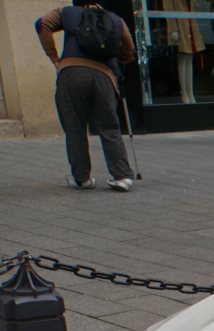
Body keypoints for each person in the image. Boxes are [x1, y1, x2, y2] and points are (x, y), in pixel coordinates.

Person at [35, 0, 137, 192]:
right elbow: (129, 48)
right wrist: (116, 62)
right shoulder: (116, 19)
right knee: (109, 126)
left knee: (75, 127)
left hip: (71, 72)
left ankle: (82, 179)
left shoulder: (66, 13)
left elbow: (42, 24)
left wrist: (55, 58)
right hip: (104, 75)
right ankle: (122, 176)